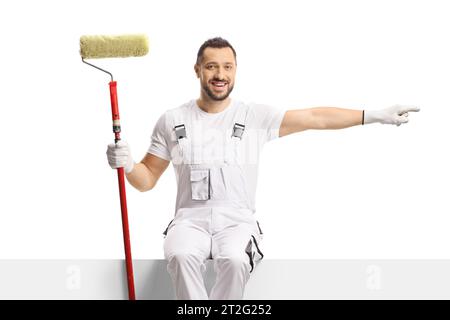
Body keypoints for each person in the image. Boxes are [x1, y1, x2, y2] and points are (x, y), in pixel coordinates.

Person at [106, 37, 420, 300]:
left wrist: (375, 115)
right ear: (197, 70)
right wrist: (129, 164)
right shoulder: (172, 120)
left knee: (234, 259)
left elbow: (315, 117)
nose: (220, 74)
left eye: (227, 67)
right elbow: (146, 179)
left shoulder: (253, 117)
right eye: (212, 66)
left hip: (236, 223)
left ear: (235, 71)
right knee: (181, 255)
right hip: (190, 223)